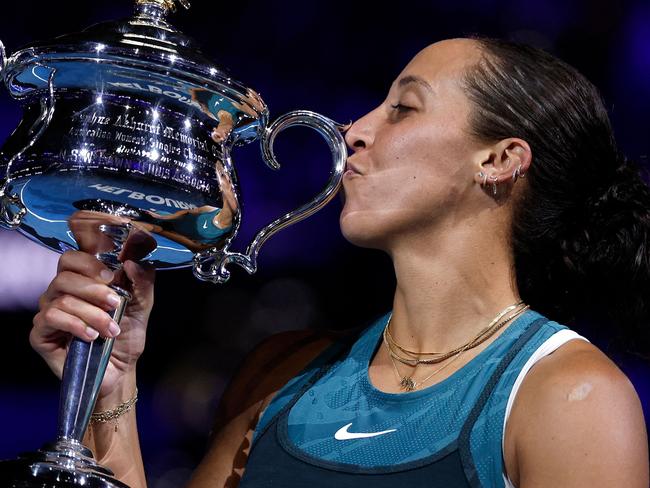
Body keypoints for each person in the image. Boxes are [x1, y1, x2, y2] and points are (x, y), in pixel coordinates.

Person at [29, 37, 650, 487]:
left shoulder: (570, 397)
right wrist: (113, 382)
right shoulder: (278, 374)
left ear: (498, 160)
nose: (353, 129)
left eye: (404, 107)